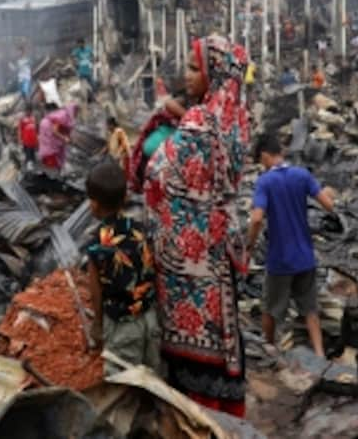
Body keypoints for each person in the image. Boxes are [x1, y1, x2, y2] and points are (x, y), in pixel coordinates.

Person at [143, 34, 250, 418]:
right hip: (219, 251)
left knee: (196, 335)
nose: (187, 75)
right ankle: (227, 411)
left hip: (191, 261)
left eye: (194, 67)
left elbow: (157, 175)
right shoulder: (236, 118)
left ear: (214, 72)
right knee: (224, 332)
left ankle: (196, 417)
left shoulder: (199, 121)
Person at [246, 133, 334, 358]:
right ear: (281, 152)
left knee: (271, 309)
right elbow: (328, 204)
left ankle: (269, 349)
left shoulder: (265, 182)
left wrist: (249, 246)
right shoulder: (302, 175)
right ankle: (320, 354)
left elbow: (256, 219)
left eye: (260, 160)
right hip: (305, 256)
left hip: (280, 259)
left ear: (265, 155)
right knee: (310, 309)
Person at [85, 162, 161, 370]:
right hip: (150, 320)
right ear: (125, 198)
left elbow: (96, 291)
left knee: (122, 385)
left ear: (94, 204)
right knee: (152, 379)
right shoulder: (142, 230)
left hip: (122, 326)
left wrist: (97, 324)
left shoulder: (97, 245)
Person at [39, 102, 78, 173]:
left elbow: (62, 130)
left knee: (51, 170)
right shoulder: (62, 116)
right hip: (51, 150)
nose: (76, 114)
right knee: (54, 170)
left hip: (46, 149)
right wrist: (64, 138)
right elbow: (55, 130)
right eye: (76, 111)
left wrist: (68, 138)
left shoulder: (49, 118)